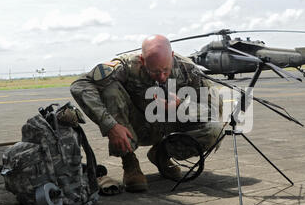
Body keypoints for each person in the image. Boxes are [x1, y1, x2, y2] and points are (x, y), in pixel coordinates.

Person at [70, 35, 223, 193]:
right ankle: (129, 162)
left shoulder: (188, 70)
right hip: (136, 126)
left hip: (172, 126)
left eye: (165, 70)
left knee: (216, 131)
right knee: (111, 90)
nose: (162, 76)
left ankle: (161, 154)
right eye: (155, 72)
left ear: (171, 56)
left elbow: (213, 109)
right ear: (142, 61)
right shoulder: (126, 66)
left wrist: (181, 105)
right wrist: (110, 126)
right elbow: (80, 85)